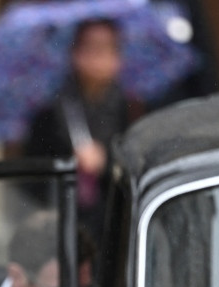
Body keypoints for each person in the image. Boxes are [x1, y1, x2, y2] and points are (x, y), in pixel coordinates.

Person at [16, 18, 139, 244]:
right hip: (63, 223)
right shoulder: (53, 106)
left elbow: (135, 163)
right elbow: (32, 173)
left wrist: (107, 161)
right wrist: (69, 163)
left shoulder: (126, 104)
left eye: (109, 48)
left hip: (111, 225)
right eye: (91, 47)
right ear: (75, 52)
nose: (99, 57)